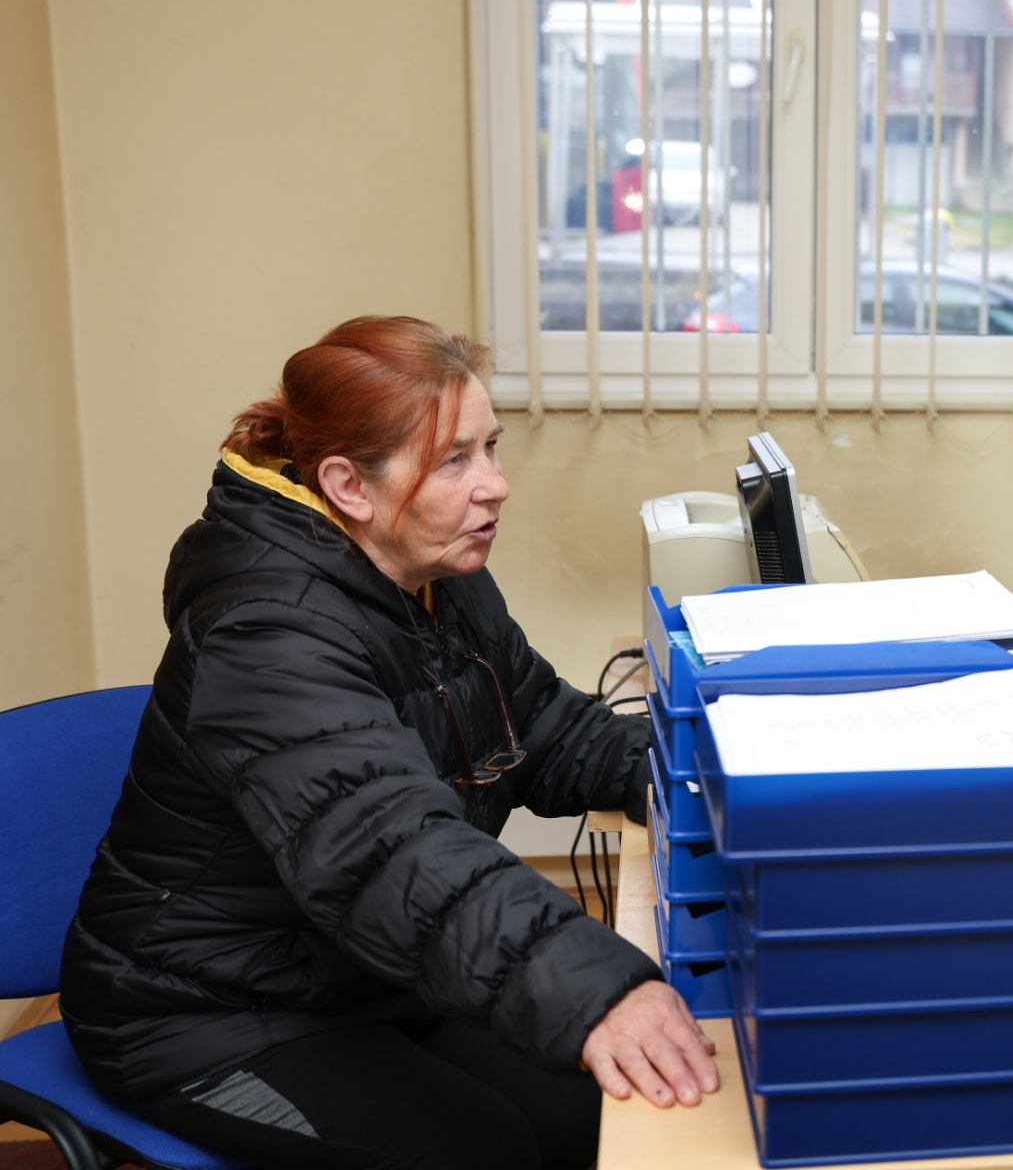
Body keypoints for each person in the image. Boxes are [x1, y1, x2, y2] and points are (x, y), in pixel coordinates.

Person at [59, 316, 718, 1170]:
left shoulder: (435, 578)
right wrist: (594, 988)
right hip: (198, 1014)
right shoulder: (266, 633)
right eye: (454, 460)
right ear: (348, 486)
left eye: (491, 448)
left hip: (356, 973)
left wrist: (715, 774)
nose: (495, 485)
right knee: (488, 1151)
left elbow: (549, 732)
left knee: (591, 1117)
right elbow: (388, 848)